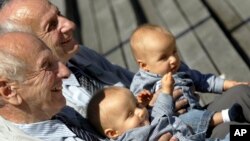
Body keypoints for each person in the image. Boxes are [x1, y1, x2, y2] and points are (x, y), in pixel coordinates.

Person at [0, 0, 249, 139]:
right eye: (51, 25)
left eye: (60, 14)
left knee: (243, 95)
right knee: (237, 132)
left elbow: (135, 83)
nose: (70, 24)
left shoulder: (77, 57)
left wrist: (155, 100)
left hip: (173, 119)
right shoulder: (46, 108)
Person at [129, 24, 249, 133]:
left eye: (174, 51)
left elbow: (203, 81)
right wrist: (143, 103)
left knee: (242, 91)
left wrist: (229, 84)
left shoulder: (179, 68)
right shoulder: (141, 83)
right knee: (235, 130)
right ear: (144, 65)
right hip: (182, 131)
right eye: (163, 57)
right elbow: (137, 115)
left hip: (201, 115)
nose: (174, 60)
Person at [0, 31, 93, 141]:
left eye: (55, 61)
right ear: (8, 91)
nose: (65, 72)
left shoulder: (55, 108)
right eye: (47, 65)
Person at [87, 73, 231, 141]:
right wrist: (166, 91)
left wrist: (166, 91)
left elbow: (161, 111)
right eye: (130, 113)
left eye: (137, 105)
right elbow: (162, 112)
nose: (140, 112)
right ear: (113, 133)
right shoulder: (132, 138)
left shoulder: (146, 121)